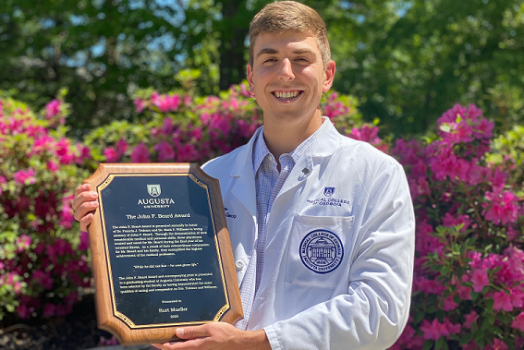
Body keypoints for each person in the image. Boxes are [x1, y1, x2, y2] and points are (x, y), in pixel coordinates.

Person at [72, 1, 415, 349]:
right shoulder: (206, 179)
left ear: (327, 75)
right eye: (269, 59)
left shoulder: (376, 175)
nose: (285, 73)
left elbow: (381, 312)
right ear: (251, 78)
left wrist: (253, 343)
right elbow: (165, 289)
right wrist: (107, 225)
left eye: (301, 59)